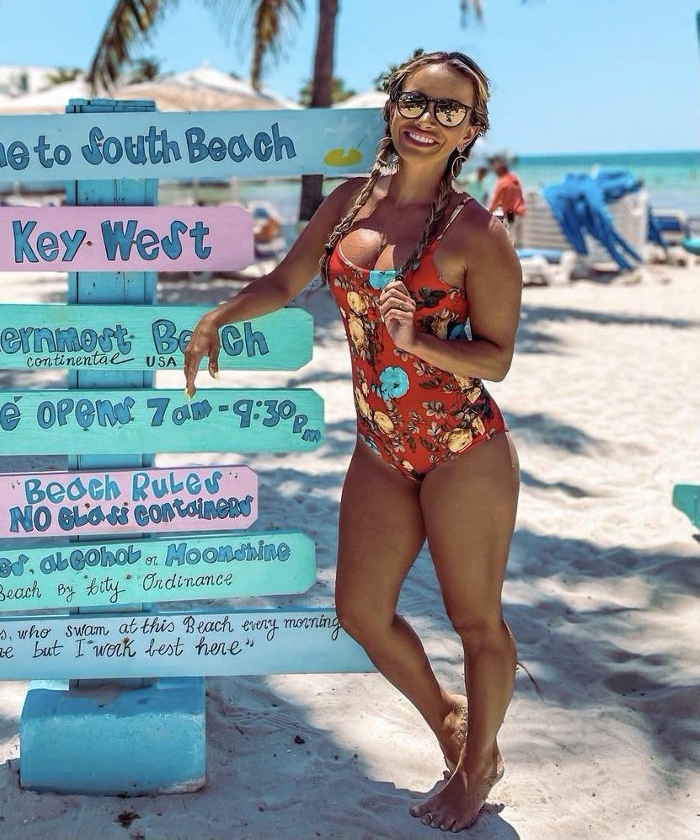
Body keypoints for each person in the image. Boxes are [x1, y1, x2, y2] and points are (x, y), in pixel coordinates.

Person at [183, 51, 522, 832]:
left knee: (477, 624)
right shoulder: (348, 202)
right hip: (379, 446)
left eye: (449, 111)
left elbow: (496, 358)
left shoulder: (479, 233)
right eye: (416, 100)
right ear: (391, 106)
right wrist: (220, 317)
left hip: (464, 447)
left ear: (473, 130)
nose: (427, 119)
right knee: (361, 611)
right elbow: (285, 280)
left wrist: (421, 339)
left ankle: (473, 773)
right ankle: (454, 724)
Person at [487, 156, 525, 243]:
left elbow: (496, 200)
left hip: (511, 214)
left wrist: (488, 212)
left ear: (500, 171)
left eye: (496, 171)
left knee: (511, 240)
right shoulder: (515, 178)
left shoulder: (502, 182)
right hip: (521, 211)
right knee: (520, 241)